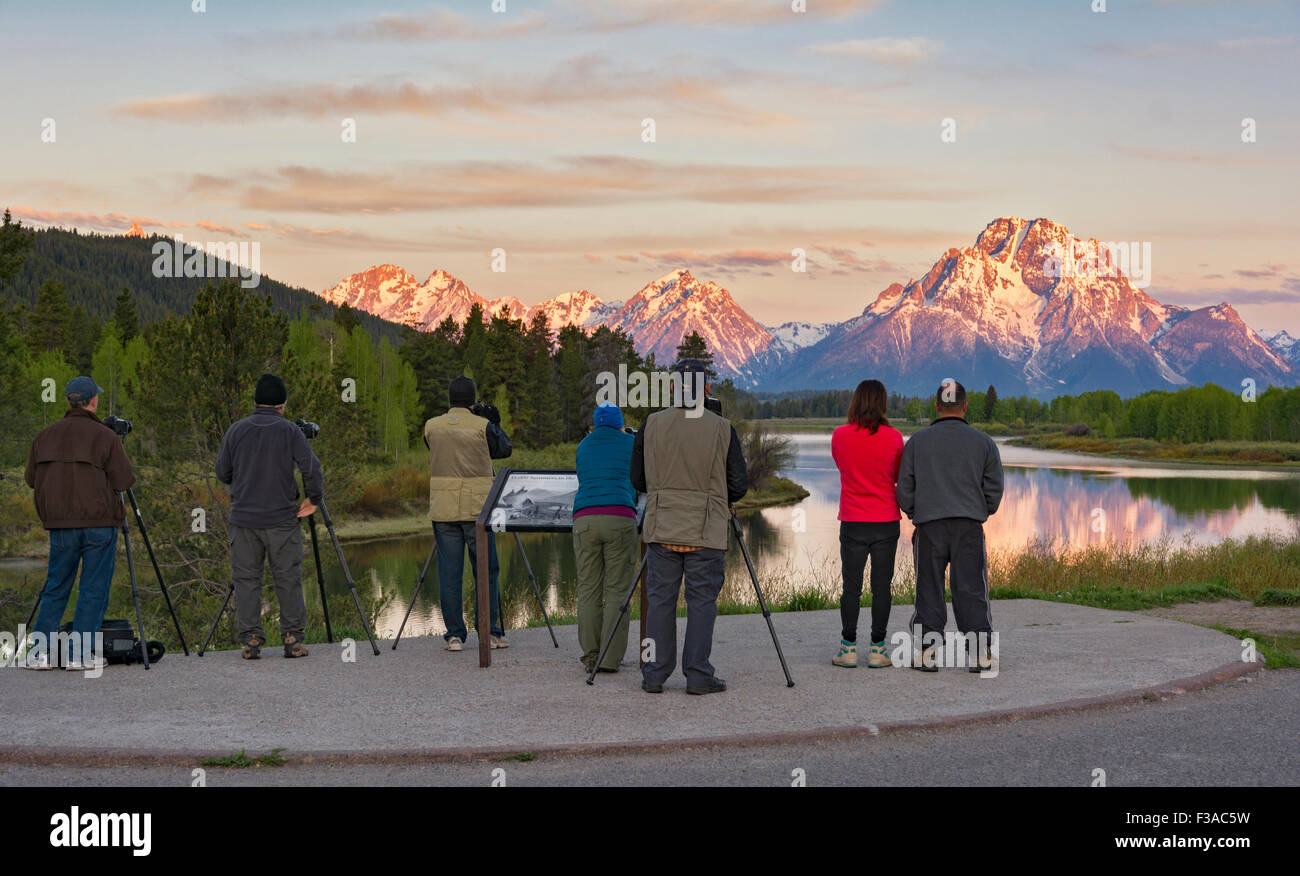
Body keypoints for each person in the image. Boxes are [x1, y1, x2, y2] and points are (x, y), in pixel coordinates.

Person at [631, 360, 748, 695]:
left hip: (662, 525)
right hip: (706, 529)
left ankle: (654, 674)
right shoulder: (722, 428)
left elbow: (637, 479)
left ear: (672, 388)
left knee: (660, 602)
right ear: (707, 389)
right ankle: (698, 675)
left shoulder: (651, 424)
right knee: (701, 603)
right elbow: (738, 485)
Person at [23, 376, 135, 670]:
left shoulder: (44, 436)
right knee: (93, 588)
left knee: (56, 586)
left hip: (60, 525)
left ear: (68, 401)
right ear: (93, 401)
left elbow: (30, 480)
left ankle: (40, 653)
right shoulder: (104, 437)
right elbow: (124, 480)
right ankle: (79, 654)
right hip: (99, 523)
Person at [896, 379, 1004, 672]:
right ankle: (980, 656)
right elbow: (994, 487)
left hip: (929, 525)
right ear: (965, 406)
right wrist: (983, 509)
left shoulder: (918, 442)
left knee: (927, 589)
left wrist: (915, 510)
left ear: (937, 406)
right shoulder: (983, 443)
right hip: (968, 525)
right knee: (971, 589)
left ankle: (926, 654)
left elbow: (904, 486)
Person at [215, 373, 323, 660]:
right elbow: (311, 467)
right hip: (282, 521)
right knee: (287, 577)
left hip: (244, 521)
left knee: (247, 579)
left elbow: (222, 473)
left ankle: (251, 640)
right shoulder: (290, 432)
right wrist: (314, 499)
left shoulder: (236, 431)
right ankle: (292, 638)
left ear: (255, 402)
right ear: (282, 406)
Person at [424, 376, 512, 652]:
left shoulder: (431, 427)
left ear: (450, 399)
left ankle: (454, 635)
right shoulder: (483, 426)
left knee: (450, 574)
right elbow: (504, 449)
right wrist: (493, 422)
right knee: (487, 571)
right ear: (473, 400)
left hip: (444, 508)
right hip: (479, 509)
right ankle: (491, 632)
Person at [830, 379, 904, 669]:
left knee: (851, 587)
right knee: (882, 587)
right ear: (883, 403)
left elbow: (842, 466)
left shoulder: (839, 436)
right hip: (886, 520)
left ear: (855, 402)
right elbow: (896, 476)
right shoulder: (895, 438)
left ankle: (847, 648)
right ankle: (878, 648)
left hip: (852, 520)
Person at [573, 403, 638, 674]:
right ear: (620, 423)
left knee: (588, 589)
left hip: (584, 519)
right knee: (617, 590)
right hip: (619, 517)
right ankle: (610, 659)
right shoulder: (631, 443)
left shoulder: (583, 447)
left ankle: (590, 655)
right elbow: (639, 478)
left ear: (596, 424)